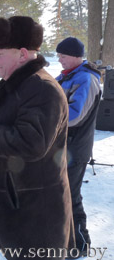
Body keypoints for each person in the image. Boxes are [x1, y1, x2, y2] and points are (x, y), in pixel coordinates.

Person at [0, 16, 75, 260]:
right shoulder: (11, 86)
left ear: (21, 54)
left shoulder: (42, 89)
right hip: (15, 208)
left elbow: (31, 144)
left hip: (36, 215)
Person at [56, 37, 101, 257]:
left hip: (76, 148)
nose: (60, 60)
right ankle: (64, 240)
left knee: (70, 195)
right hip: (62, 147)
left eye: (63, 56)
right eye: (59, 56)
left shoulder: (86, 78)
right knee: (59, 194)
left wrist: (46, 116)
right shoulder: (66, 76)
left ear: (76, 56)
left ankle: (80, 244)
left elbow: (74, 116)